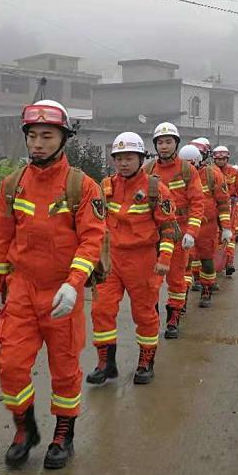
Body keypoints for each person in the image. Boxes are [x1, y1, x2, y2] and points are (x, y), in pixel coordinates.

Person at [0, 99, 105, 470]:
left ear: (63, 138)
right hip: (21, 289)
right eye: (32, 135)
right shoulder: (12, 185)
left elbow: (92, 239)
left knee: (65, 368)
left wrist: (74, 283)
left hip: (61, 293)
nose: (37, 143)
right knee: (11, 365)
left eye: (47, 136)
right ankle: (25, 429)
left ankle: (63, 434)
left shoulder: (82, 187)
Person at [87, 132, 179, 386]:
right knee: (101, 310)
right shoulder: (106, 187)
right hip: (111, 260)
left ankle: (145, 362)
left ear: (140, 158)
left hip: (143, 261)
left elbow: (168, 228)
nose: (123, 163)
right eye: (119, 158)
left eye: (129, 158)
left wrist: (164, 258)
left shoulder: (155, 189)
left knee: (145, 313)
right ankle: (106, 364)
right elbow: (94, 223)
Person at [142, 122, 204, 339]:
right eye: (160, 142)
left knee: (177, 279)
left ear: (176, 144)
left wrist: (191, 232)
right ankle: (152, 318)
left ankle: (173, 318)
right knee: (151, 281)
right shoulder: (148, 169)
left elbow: (197, 203)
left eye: (168, 142)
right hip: (154, 235)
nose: (164, 146)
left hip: (179, 232)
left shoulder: (188, 170)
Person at [179, 143, 232, 308]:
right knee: (185, 262)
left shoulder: (212, 175)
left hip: (207, 228)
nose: (188, 168)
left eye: (191, 164)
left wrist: (226, 228)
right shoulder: (177, 176)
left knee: (207, 261)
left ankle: (206, 290)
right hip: (185, 226)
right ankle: (181, 298)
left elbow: (223, 203)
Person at [212, 147, 238, 276]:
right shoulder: (209, 171)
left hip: (230, 207)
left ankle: (229, 262)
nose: (221, 161)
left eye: (223, 159)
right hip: (213, 207)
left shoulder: (233, 172)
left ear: (227, 159)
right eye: (218, 159)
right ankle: (215, 262)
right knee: (215, 235)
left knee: (229, 235)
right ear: (214, 159)